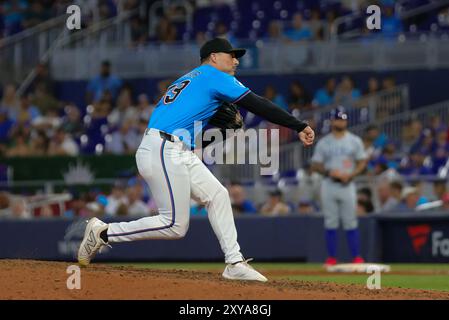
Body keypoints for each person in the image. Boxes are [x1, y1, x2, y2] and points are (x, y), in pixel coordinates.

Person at [77, 38, 315, 282]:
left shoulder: (191, 78)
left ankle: (234, 262)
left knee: (218, 195)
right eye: (230, 55)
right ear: (213, 57)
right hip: (163, 148)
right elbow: (258, 104)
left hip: (173, 147)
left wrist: (220, 129)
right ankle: (104, 233)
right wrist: (297, 124)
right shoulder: (214, 76)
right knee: (174, 225)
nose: (235, 60)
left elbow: (193, 129)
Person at [311, 106, 368, 266]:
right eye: (338, 119)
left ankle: (357, 257)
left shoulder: (354, 140)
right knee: (330, 221)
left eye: (343, 119)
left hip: (348, 184)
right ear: (332, 121)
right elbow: (315, 164)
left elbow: (362, 161)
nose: (341, 122)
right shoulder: (324, 142)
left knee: (351, 221)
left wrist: (352, 174)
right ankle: (331, 258)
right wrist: (329, 172)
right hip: (329, 184)